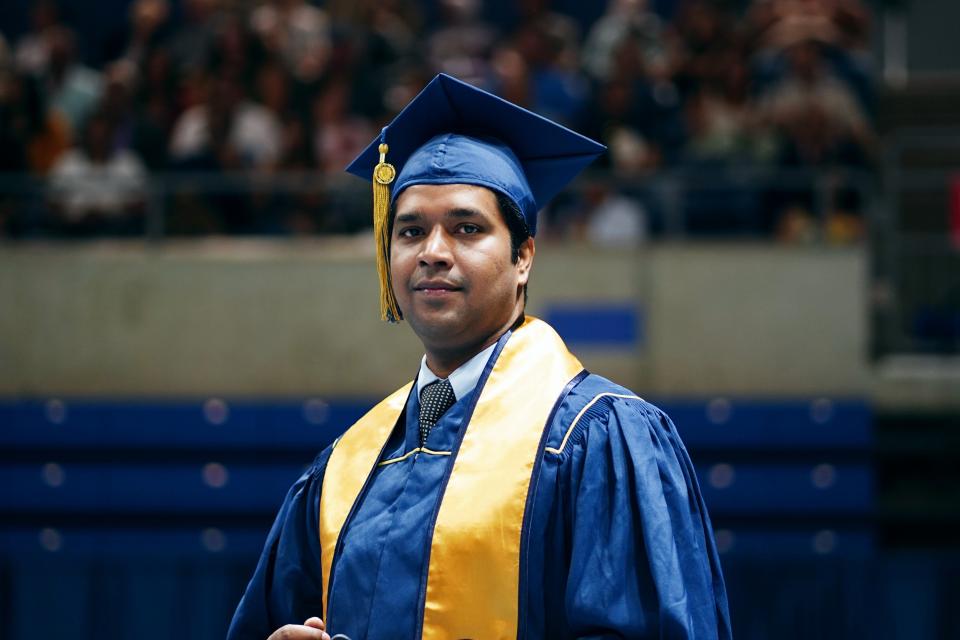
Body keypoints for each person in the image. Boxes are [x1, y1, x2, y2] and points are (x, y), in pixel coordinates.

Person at [227, 74, 731, 640]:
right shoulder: (345, 467)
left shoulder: (595, 440)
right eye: (410, 231)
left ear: (523, 257)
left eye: (467, 228)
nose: (433, 252)